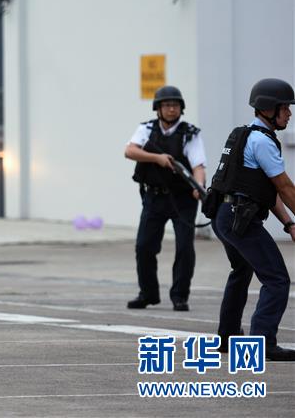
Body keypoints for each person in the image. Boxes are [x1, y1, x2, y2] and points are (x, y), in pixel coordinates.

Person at [211, 78, 295, 361]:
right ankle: (263, 341)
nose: (290, 114)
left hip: (226, 216)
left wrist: (289, 223)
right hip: (240, 219)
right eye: (285, 108)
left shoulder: (245, 135)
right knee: (277, 279)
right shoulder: (263, 142)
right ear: (269, 108)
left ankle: (228, 336)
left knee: (242, 271)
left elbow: (266, 192)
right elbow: (285, 187)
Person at [124, 85, 206, 311]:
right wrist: (156, 158)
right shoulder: (146, 129)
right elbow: (130, 151)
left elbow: (198, 165)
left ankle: (180, 296)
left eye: (176, 105)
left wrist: (199, 186)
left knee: (184, 248)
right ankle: (148, 293)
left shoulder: (190, 133)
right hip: (154, 198)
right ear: (158, 109)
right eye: (167, 105)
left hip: (183, 199)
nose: (172, 109)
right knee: (144, 247)